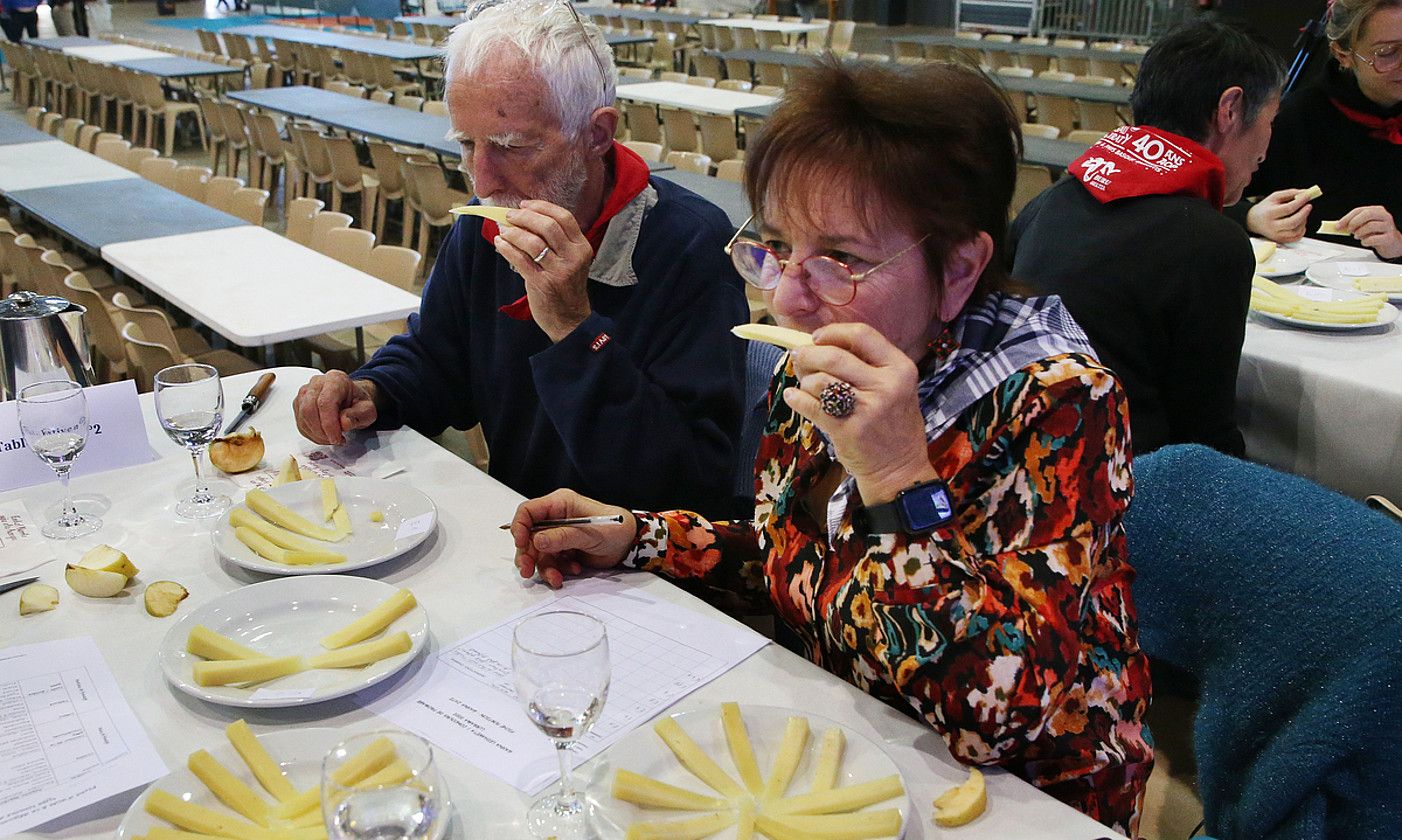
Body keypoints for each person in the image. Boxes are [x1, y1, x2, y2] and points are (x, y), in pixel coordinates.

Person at [510, 59, 1153, 835]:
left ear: (959, 269)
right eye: (778, 246)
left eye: (842, 259)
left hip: (1021, 801)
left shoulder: (1058, 403)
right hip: (853, 752)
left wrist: (896, 478)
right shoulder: (835, 355)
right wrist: (642, 539)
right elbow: (803, 562)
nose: (785, 294)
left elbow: (1000, 715)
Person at [294, 0, 748, 516]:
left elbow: (689, 480)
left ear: (595, 134)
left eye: (511, 145)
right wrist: (372, 392)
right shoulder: (486, 225)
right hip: (520, 532)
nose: (483, 180)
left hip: (642, 564)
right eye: (467, 144)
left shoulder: (690, 245)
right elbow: (439, 360)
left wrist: (575, 330)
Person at [1010, 20, 1284, 457]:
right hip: (1120, 493)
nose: (1266, 150)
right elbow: (1204, 443)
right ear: (1230, 109)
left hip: (1019, 456)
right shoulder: (1213, 244)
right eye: (1272, 119)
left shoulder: (1051, 199)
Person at [1231, 0, 1402, 259]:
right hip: (1308, 287)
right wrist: (1250, 216)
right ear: (1343, 54)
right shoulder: (1295, 117)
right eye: (1387, 52)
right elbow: (1201, 198)